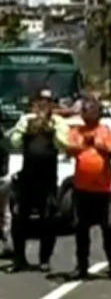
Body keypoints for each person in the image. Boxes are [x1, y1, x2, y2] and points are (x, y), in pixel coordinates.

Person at [6, 89, 68, 272]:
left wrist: (52, 128)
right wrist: (26, 128)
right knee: (20, 220)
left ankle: (44, 259)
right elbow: (15, 142)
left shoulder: (59, 122)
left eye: (47, 100)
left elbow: (64, 145)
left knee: (48, 220)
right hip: (27, 179)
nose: (43, 103)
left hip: (47, 179)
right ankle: (19, 259)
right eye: (40, 100)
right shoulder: (25, 120)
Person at [66, 100, 111, 281]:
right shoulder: (76, 132)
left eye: (90, 110)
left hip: (103, 190)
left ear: (98, 113)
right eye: (84, 111)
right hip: (82, 189)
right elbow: (71, 148)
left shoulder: (106, 132)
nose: (86, 114)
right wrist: (84, 143)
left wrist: (97, 142)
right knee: (81, 229)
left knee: (108, 228)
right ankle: (81, 265)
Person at [0, 119, 11, 257]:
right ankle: (7, 242)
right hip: (4, 181)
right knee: (5, 214)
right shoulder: (4, 147)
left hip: (2, 180)